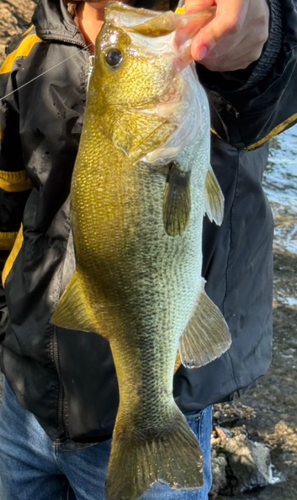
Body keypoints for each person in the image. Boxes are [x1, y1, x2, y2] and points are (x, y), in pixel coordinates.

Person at [0, 0, 296, 498]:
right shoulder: (28, 54)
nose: (124, 28)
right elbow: (6, 210)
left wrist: (263, 48)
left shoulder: (210, 44)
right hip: (19, 397)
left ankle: (148, 411)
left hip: (167, 398)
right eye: (116, 56)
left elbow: (271, 92)